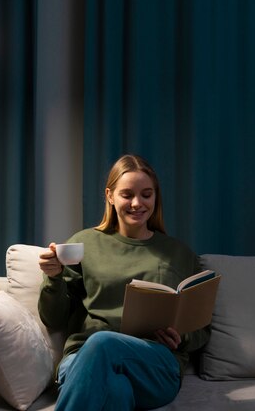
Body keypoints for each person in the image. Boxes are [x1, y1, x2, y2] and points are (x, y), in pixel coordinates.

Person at [38, 154, 210, 411]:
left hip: (155, 364)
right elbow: (54, 318)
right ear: (110, 196)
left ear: (155, 197)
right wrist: (54, 278)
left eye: (146, 194)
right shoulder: (84, 244)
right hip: (84, 359)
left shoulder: (179, 253)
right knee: (116, 390)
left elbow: (202, 329)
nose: (137, 203)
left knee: (104, 343)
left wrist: (181, 337)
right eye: (127, 194)